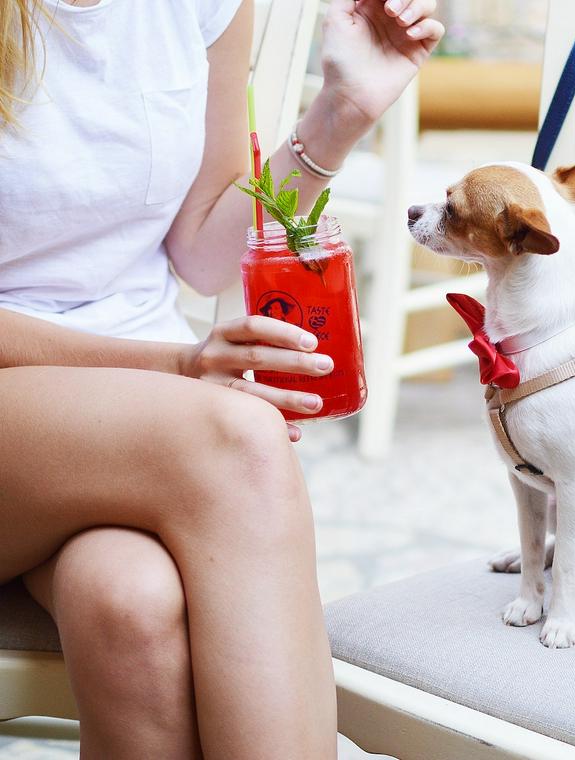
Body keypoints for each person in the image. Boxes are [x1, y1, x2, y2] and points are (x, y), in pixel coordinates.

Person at [0, 0, 443, 757]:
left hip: (131, 430)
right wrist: (174, 368)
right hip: (104, 407)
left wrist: (339, 113)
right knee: (238, 436)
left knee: (129, 604)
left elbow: (204, 251)